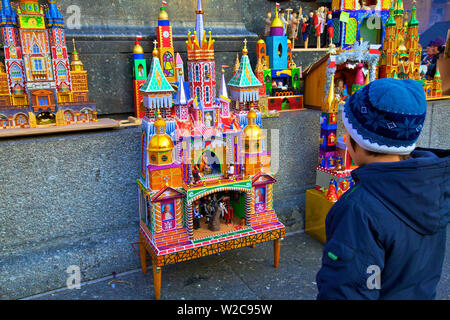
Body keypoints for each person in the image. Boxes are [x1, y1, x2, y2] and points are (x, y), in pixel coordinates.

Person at [316, 78, 450, 299]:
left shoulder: (358, 210)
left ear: (362, 142)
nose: (344, 139)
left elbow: (347, 289)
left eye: (348, 133)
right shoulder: (433, 187)